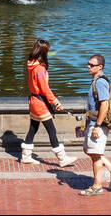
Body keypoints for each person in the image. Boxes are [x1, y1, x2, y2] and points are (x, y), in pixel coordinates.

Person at [19, 39, 75, 168]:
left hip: (33, 101)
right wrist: (56, 102)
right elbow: (44, 89)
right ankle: (62, 158)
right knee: (52, 131)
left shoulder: (31, 64)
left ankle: (26, 156)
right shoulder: (39, 68)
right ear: (44, 52)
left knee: (33, 129)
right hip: (40, 103)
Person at [80, 53, 111, 196]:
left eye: (92, 65)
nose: (88, 67)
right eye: (88, 64)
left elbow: (104, 104)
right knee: (88, 150)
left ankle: (97, 186)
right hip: (91, 122)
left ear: (100, 67)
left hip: (97, 124)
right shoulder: (95, 81)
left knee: (95, 155)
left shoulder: (100, 82)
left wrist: (97, 125)